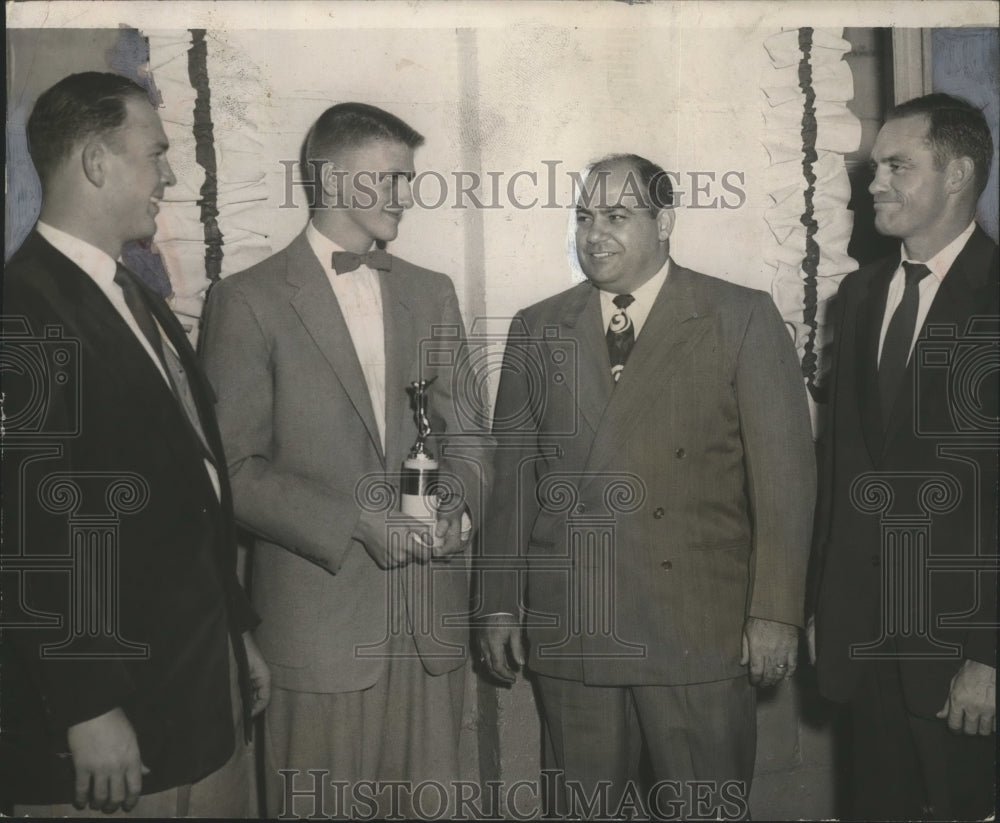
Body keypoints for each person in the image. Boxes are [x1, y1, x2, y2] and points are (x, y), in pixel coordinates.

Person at [477, 153, 816, 819]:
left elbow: (785, 481)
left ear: (665, 221)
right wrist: (497, 602)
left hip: (697, 628)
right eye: (583, 216)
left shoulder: (738, 316)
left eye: (617, 215)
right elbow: (511, 479)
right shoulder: (536, 327)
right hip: (578, 624)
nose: (594, 233)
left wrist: (775, 611)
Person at [200, 102, 492, 818]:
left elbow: (474, 439)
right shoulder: (246, 300)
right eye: (389, 178)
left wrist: (453, 509)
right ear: (331, 178)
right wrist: (358, 521)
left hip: (430, 635)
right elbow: (231, 469)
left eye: (408, 178)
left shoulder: (433, 292)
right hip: (317, 639)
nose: (405, 195)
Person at [0, 72, 269, 817]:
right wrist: (85, 707)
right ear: (95, 162)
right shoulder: (19, 308)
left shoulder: (133, 295)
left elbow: (193, 484)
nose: (170, 174)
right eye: (156, 153)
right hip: (112, 730)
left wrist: (233, 631)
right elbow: (25, 531)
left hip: (194, 690)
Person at [810, 93, 998, 820]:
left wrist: (990, 655)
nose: (875, 181)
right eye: (875, 165)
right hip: (863, 643)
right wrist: (825, 600)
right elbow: (845, 467)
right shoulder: (859, 294)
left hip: (961, 652)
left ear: (957, 175)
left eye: (898, 165)